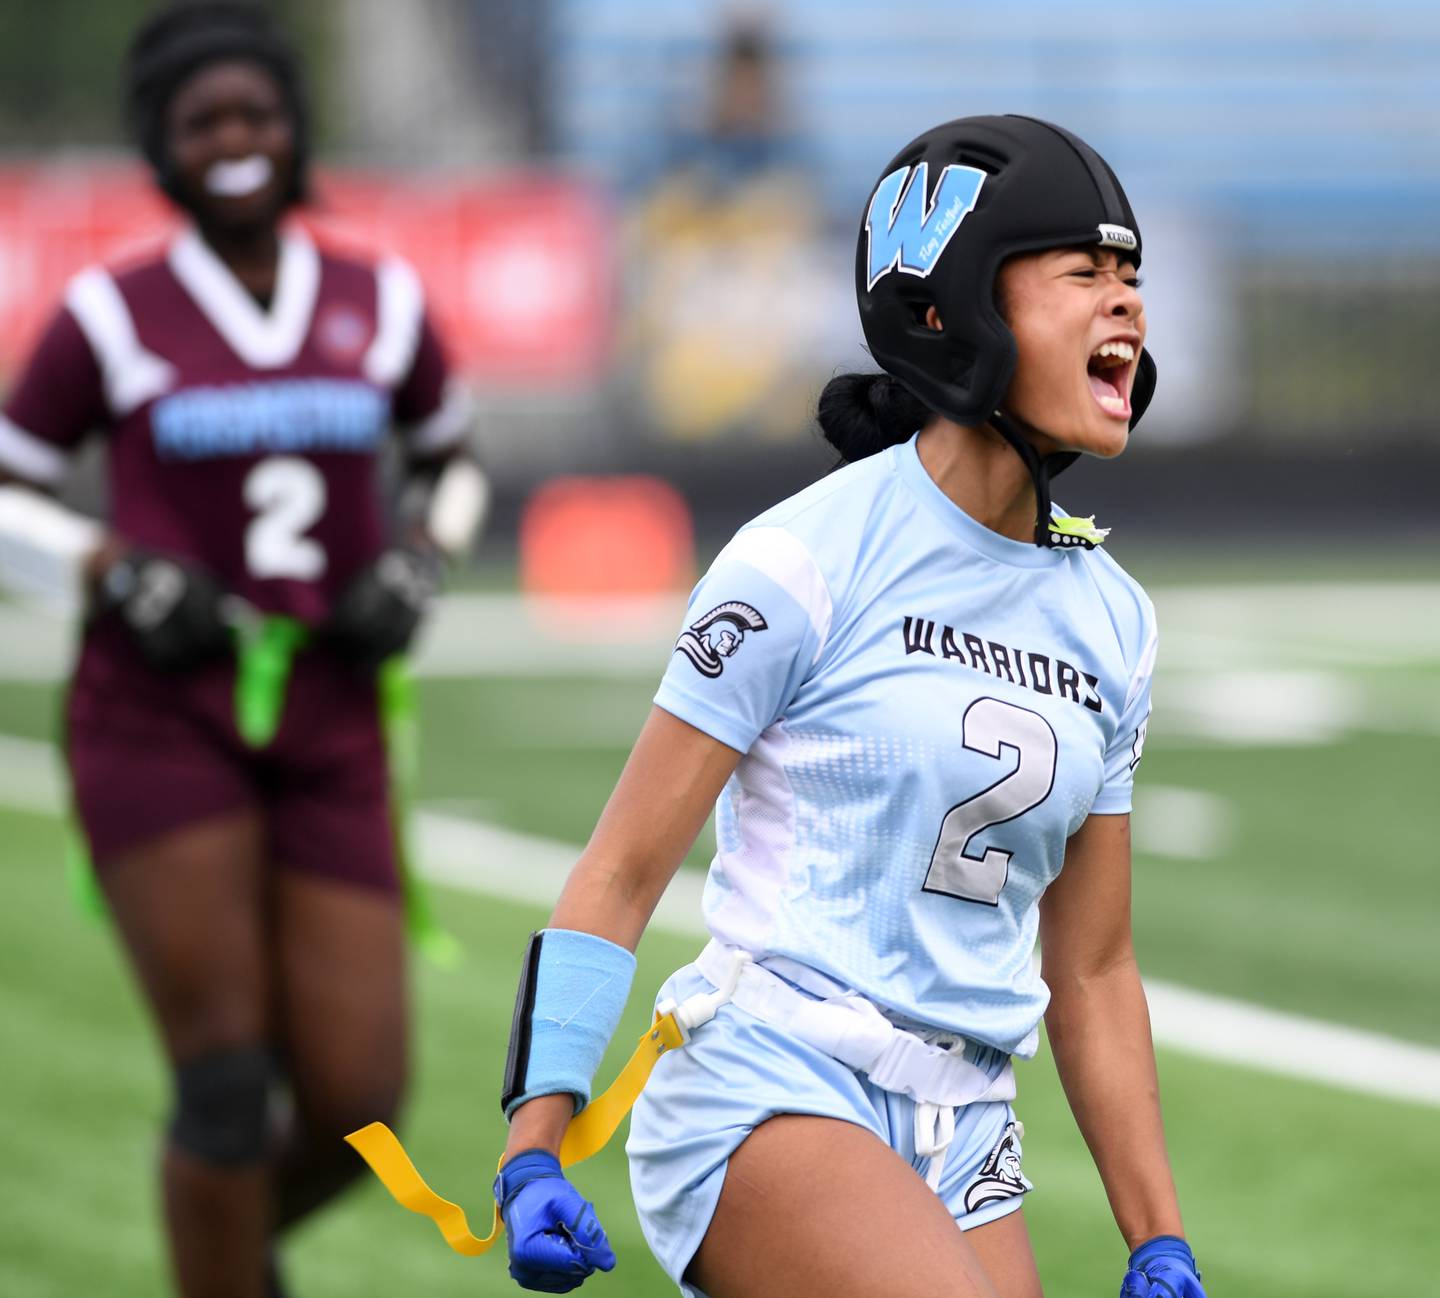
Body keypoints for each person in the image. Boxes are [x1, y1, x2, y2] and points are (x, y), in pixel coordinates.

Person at [491, 115, 1206, 1298]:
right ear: (954, 305)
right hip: (771, 1075)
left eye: (1133, 276)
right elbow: (620, 871)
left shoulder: (1116, 620)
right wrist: (532, 1147)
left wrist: (1158, 1236)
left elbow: (1091, 966)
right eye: (1085, 273)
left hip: (970, 1126)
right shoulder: (803, 561)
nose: (1126, 304)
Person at [0, 4, 486, 1296]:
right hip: (159, 715)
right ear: (159, 145)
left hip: (330, 715)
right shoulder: (111, 312)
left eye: (255, 114)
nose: (233, 140)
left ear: (294, 129)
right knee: (222, 1078)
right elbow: (10, 487)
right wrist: (105, 566)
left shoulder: (377, 298)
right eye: (202, 119)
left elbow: (452, 460)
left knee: (359, 1090)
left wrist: (422, 553)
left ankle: (222, 1257)